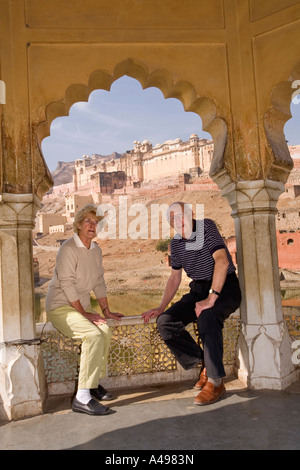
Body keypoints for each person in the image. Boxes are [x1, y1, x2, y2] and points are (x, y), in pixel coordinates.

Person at [142, 201, 241, 406]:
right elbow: (175, 278)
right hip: (198, 289)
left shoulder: (206, 227)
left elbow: (222, 261)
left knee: (207, 315)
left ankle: (215, 381)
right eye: (172, 219)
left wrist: (212, 297)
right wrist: (161, 307)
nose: (177, 221)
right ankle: (205, 362)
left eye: (180, 215)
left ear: (191, 214)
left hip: (224, 286)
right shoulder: (176, 243)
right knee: (165, 322)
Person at [46, 204, 124, 416]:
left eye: (96, 222)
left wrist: (106, 310)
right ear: (79, 224)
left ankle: (92, 384)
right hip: (61, 306)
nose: (92, 225)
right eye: (88, 221)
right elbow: (68, 284)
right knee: (92, 335)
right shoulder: (68, 249)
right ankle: (81, 398)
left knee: (105, 331)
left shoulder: (96, 250)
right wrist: (84, 313)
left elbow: (98, 281)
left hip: (80, 306)